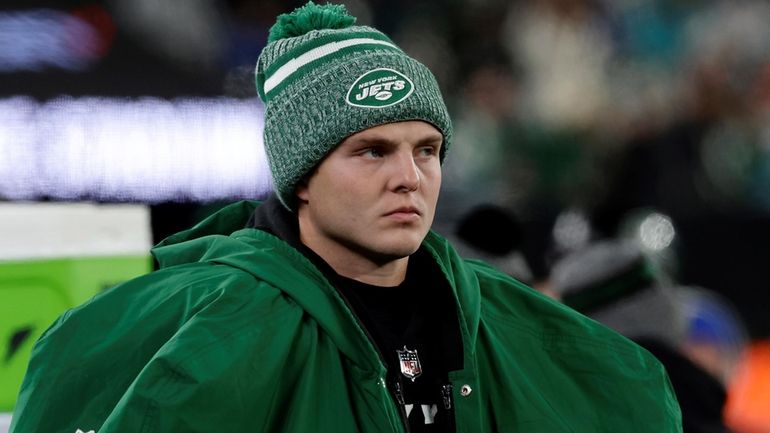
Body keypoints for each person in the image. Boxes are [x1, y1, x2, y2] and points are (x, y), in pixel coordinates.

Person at [9, 3, 682, 432]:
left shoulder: (510, 322)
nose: (409, 177)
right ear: (302, 176)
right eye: (371, 151)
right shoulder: (192, 322)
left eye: (427, 150)